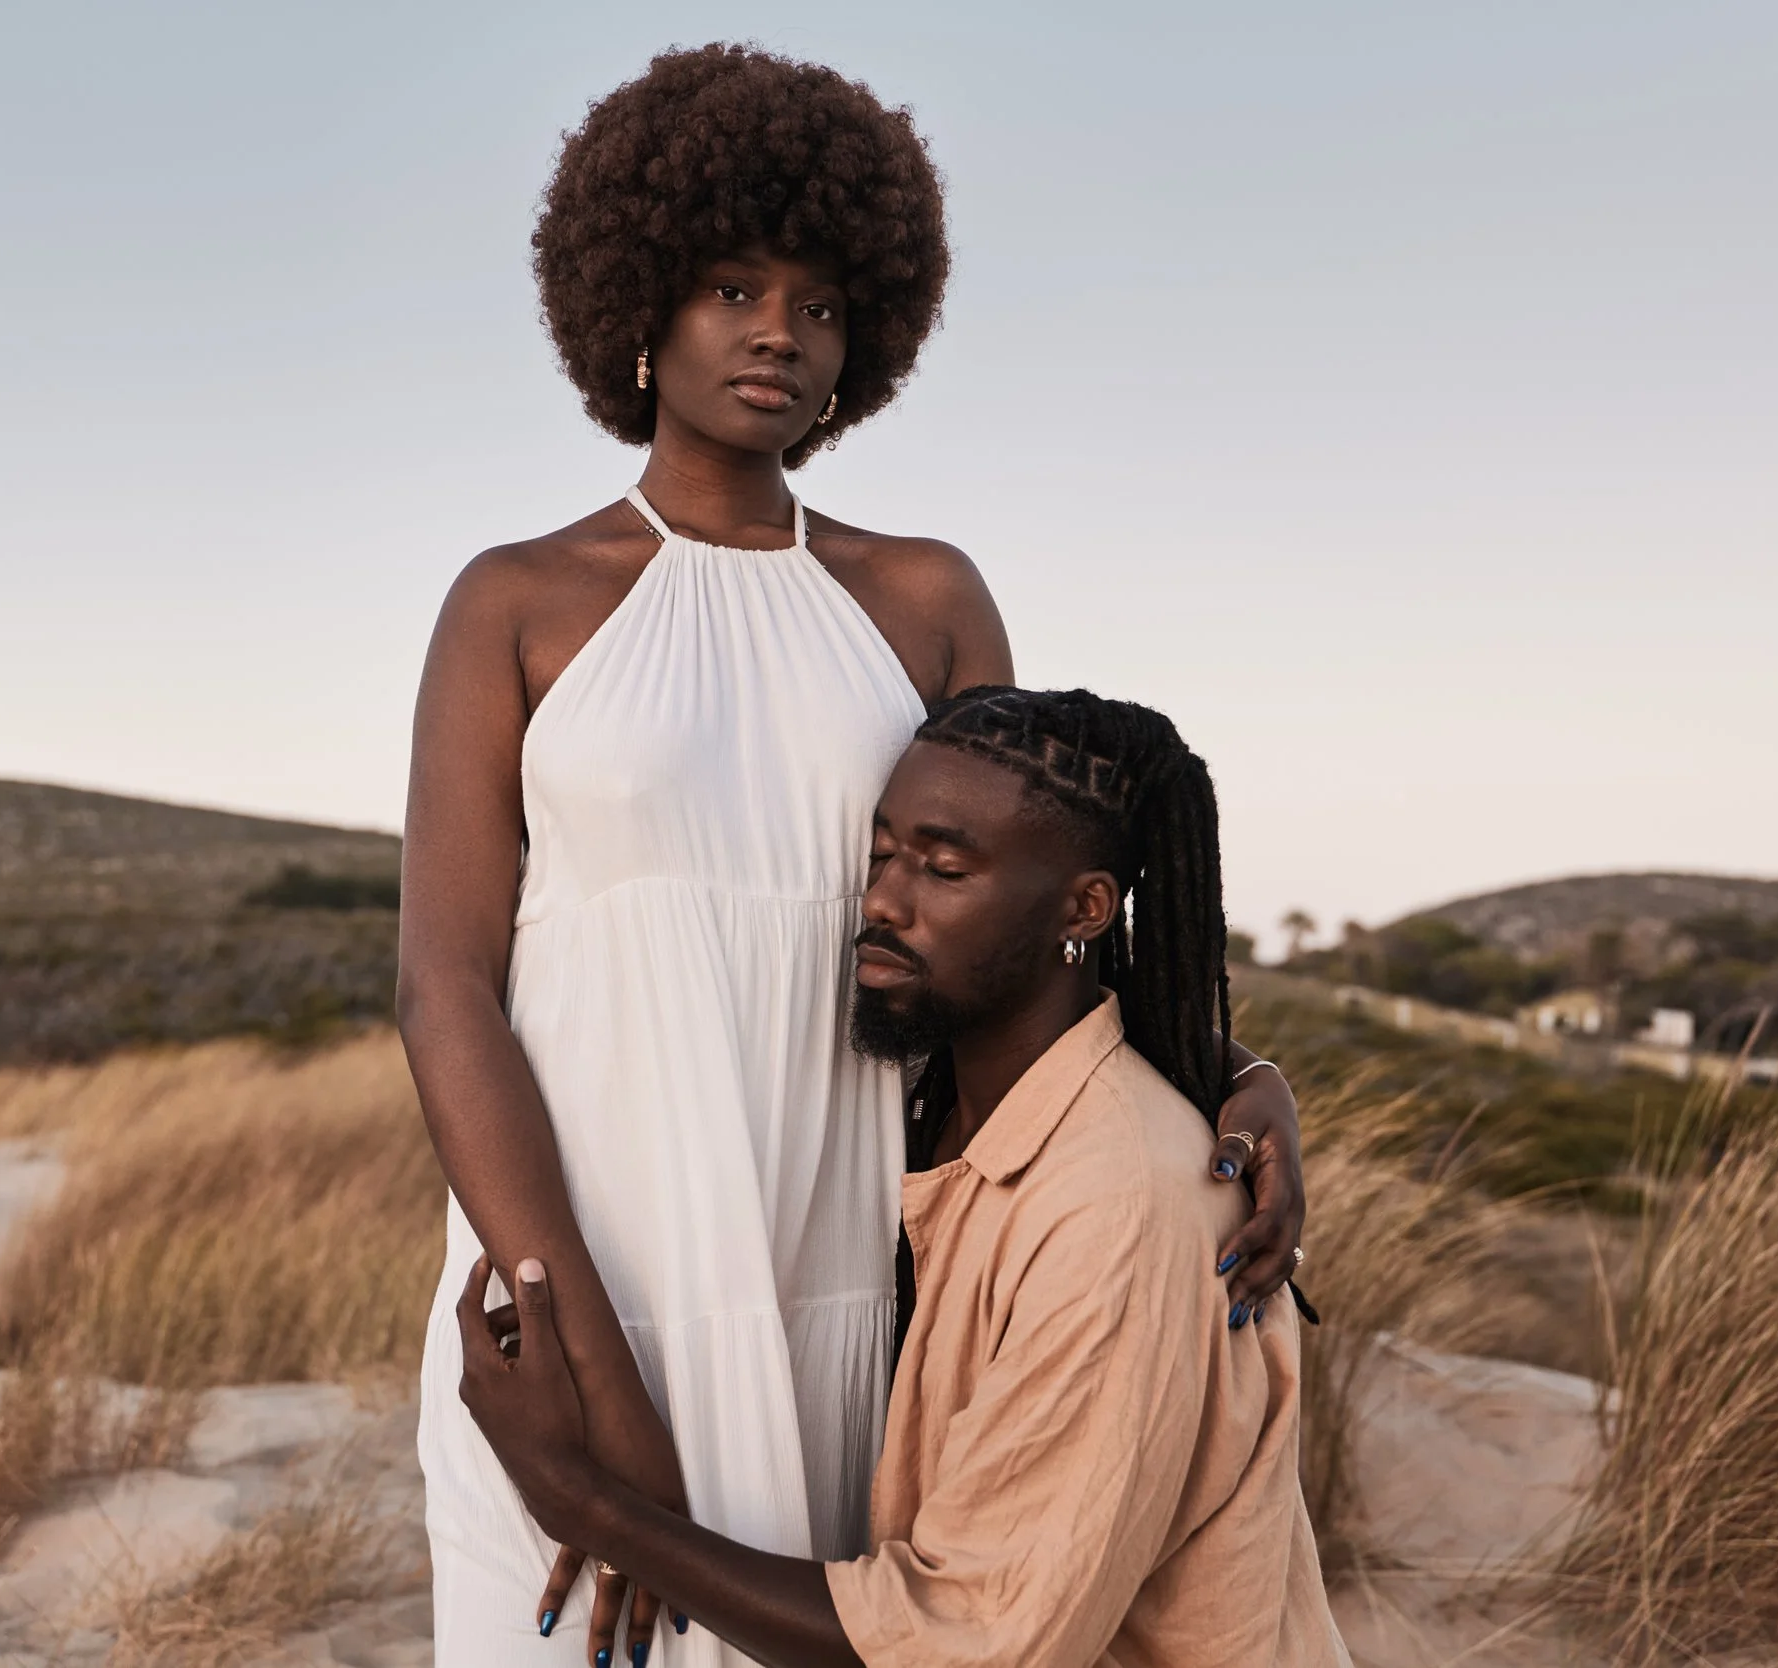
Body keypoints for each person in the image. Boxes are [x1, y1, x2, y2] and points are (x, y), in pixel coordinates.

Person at [399, 46, 1312, 1668]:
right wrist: (597, 1386)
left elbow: (1028, 916)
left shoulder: (924, 597)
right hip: (581, 1271)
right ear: (636, 302)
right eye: (733, 286)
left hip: (843, 1288)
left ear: (868, 339)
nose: (777, 331)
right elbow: (446, 983)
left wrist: (1237, 1076)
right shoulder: (514, 600)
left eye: (820, 304)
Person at [457, 687, 1348, 1668]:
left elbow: (970, 1641)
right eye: (882, 853)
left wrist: (576, 1496)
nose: (883, 898)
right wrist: (1251, 1072)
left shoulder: (1117, 1207)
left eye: (945, 867)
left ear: (1084, 908)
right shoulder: (932, 1097)